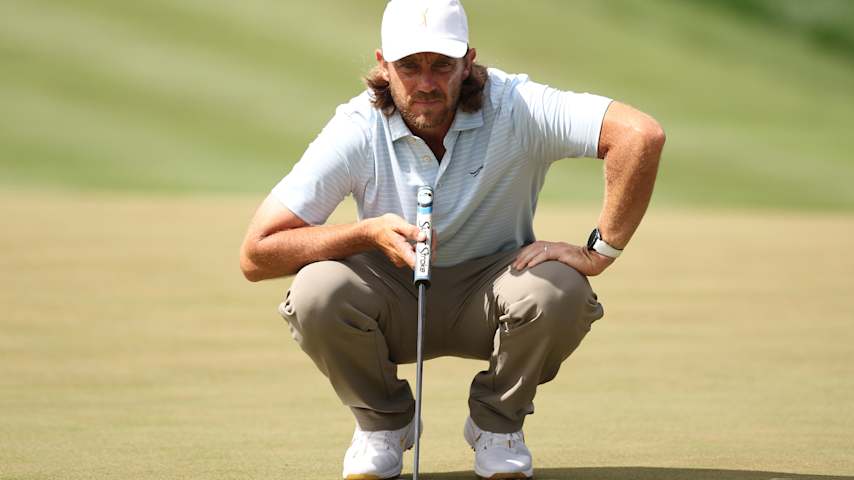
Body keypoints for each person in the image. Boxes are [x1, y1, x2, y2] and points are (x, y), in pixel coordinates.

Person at [240, 0, 665, 478]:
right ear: (383, 64)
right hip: (392, 296)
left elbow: (640, 136)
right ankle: (383, 425)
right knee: (317, 290)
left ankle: (497, 426)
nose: (426, 82)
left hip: (496, 290)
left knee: (560, 289)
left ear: (469, 61)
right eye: (409, 66)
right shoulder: (357, 127)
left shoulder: (517, 107)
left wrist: (598, 252)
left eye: (442, 65)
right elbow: (257, 253)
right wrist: (365, 232)